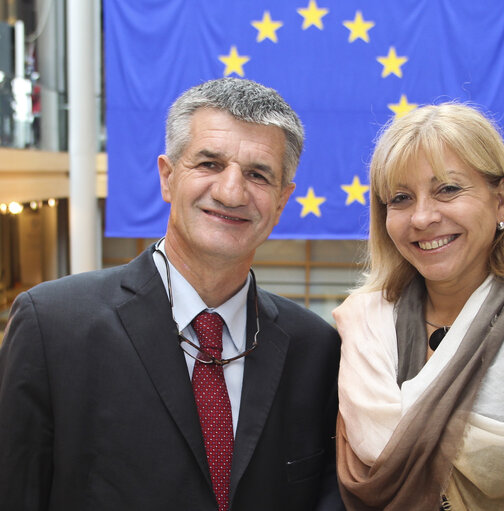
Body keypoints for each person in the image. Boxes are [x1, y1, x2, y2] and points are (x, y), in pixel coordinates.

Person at [0, 78, 344, 511]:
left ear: (280, 202)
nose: (231, 192)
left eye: (258, 175)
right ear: (167, 177)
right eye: (209, 164)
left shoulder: (315, 348)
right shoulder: (53, 326)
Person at [333, 103, 504, 510]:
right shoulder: (361, 321)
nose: (422, 217)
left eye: (448, 189)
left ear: (500, 201)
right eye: (401, 198)